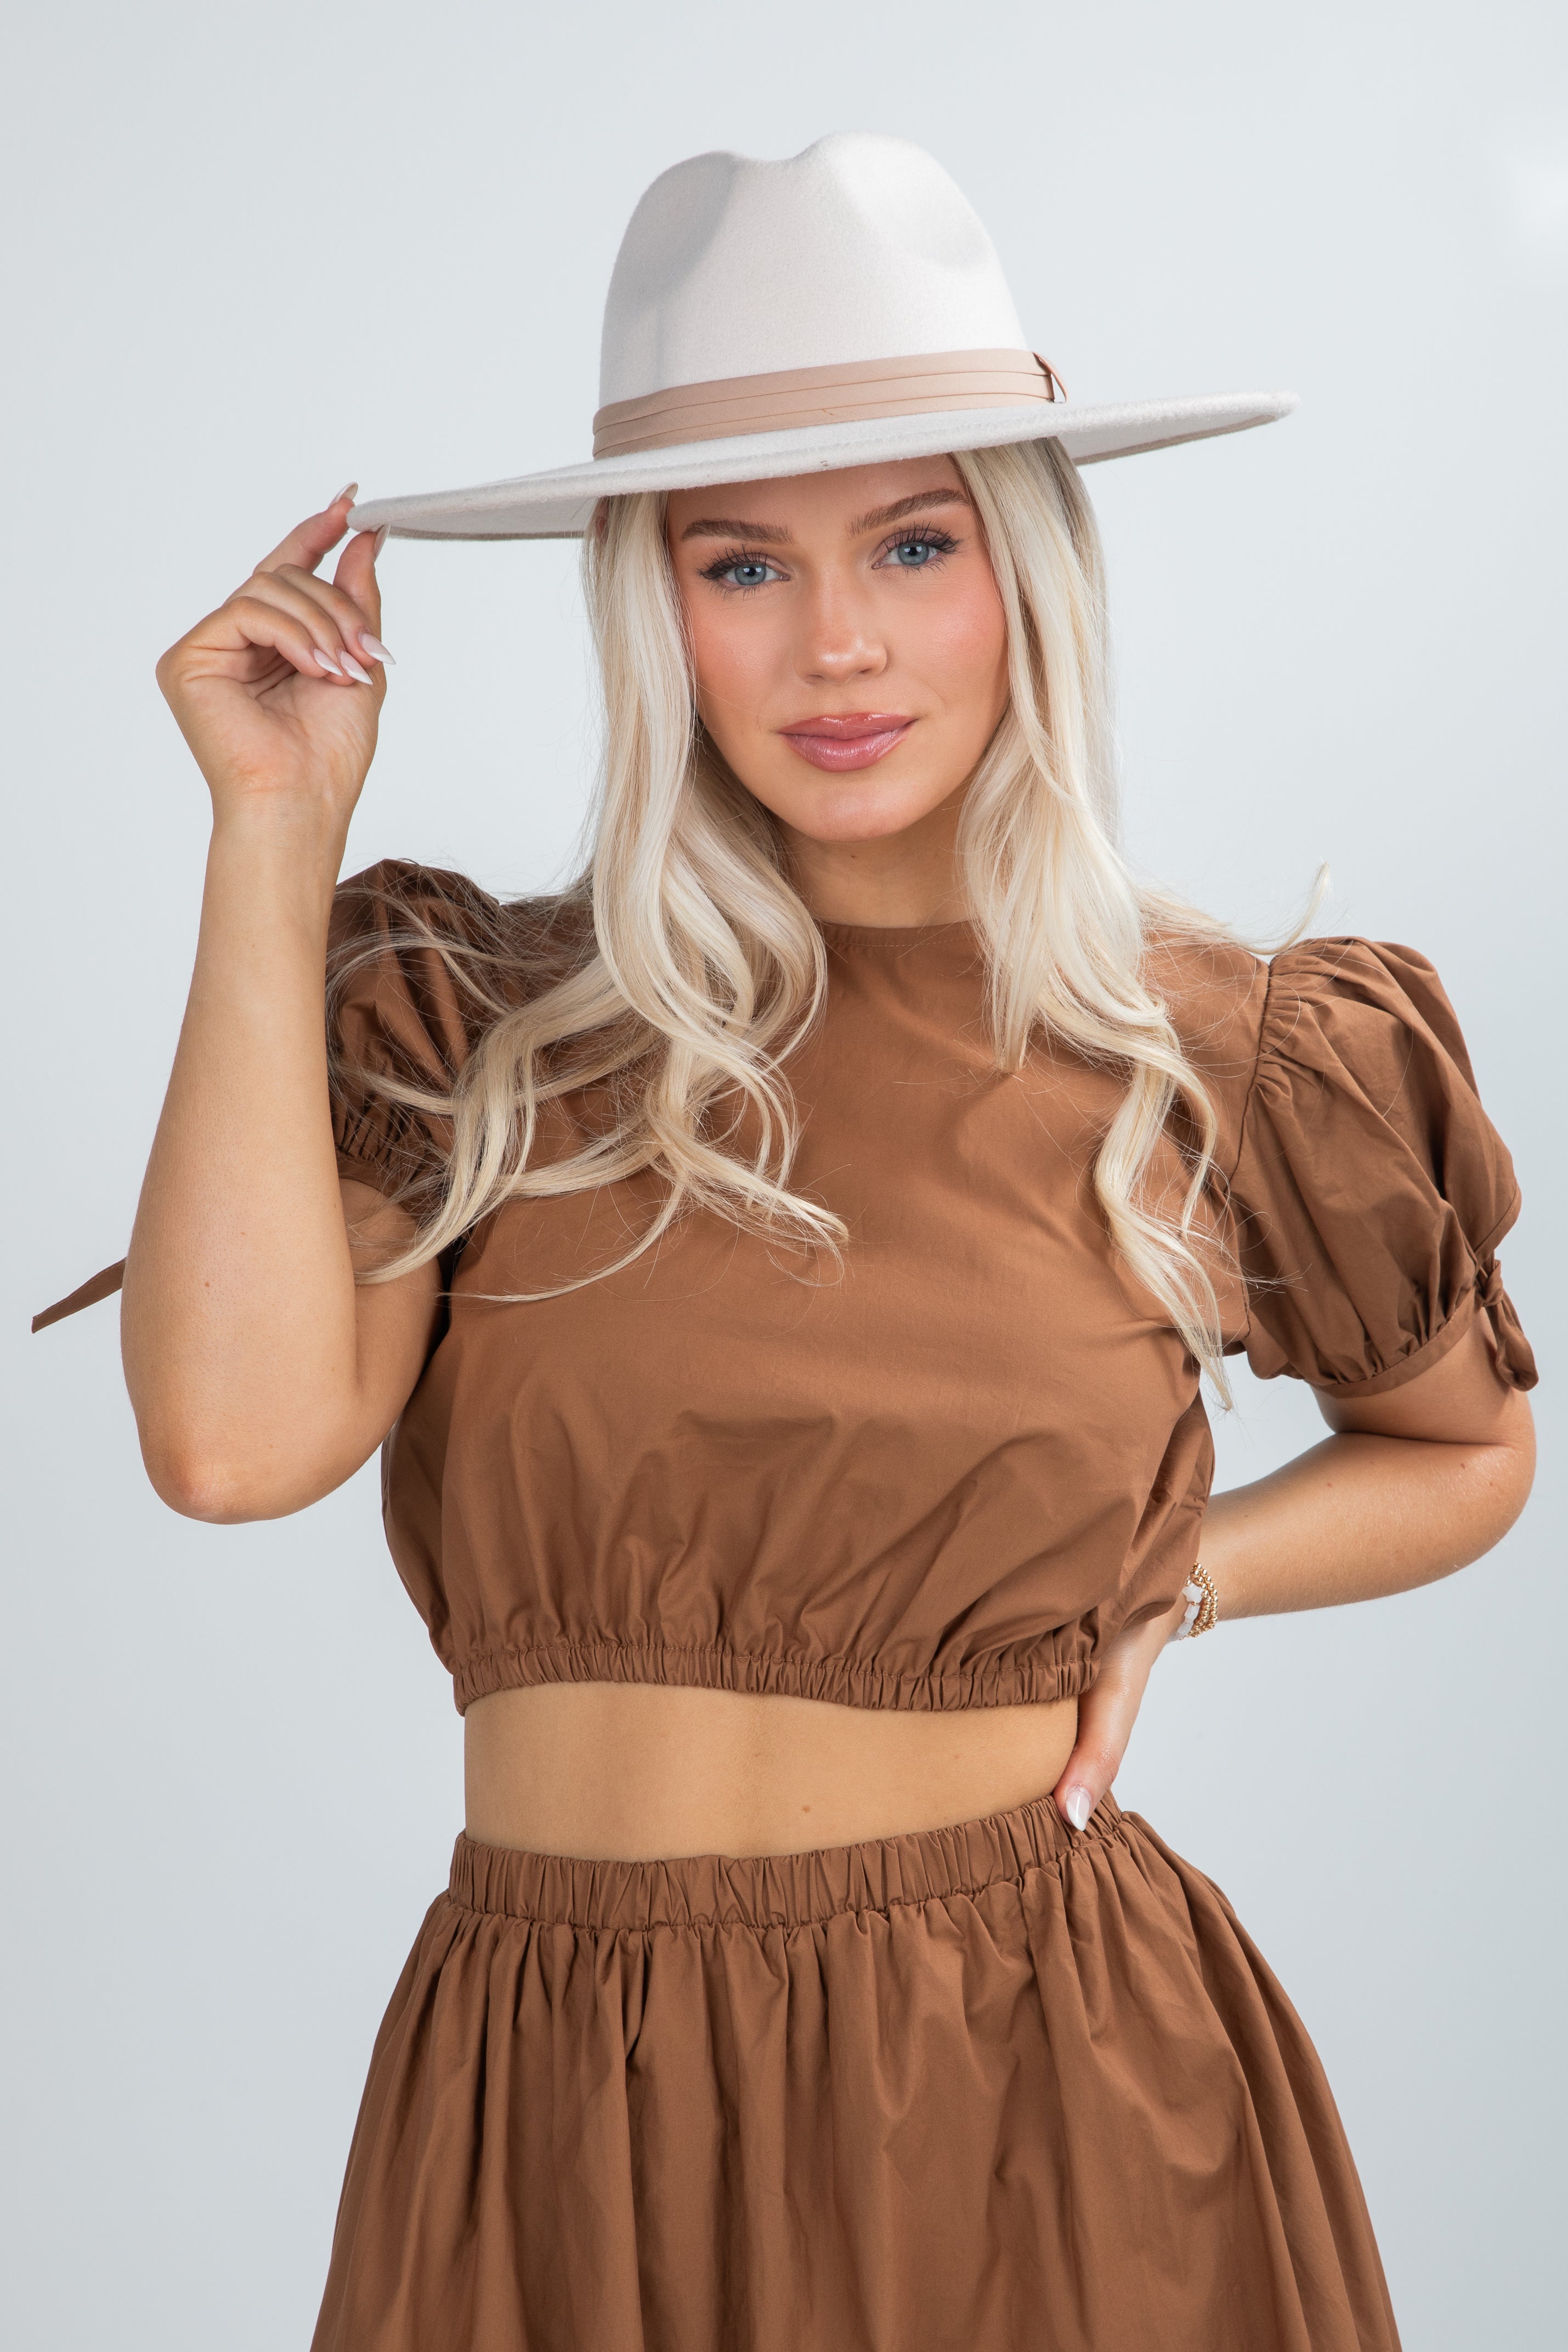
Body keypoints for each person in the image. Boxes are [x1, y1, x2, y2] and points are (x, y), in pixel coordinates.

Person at [40, 135, 1536, 2350]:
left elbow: (1468, 1448)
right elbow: (231, 1441)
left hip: (1038, 2093)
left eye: (913, 544)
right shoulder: (477, 1030)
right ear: (653, 605)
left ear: (1022, 571)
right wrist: (273, 832)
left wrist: (1184, 1577)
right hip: (543, 2106)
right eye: (741, 566)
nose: (834, 641)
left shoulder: (1217, 1055)